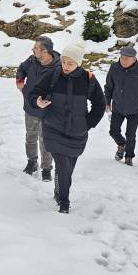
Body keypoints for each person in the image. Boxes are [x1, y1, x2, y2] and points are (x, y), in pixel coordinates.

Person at [29, 41, 105, 214]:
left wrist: (87, 124)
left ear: (78, 63)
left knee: (68, 169)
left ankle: (59, 190)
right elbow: (33, 93)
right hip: (53, 128)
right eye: (63, 61)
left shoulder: (89, 80)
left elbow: (100, 105)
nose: (65, 66)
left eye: (70, 63)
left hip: (77, 133)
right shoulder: (53, 75)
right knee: (63, 166)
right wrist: (37, 102)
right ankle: (64, 202)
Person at [16, 36, 61, 182]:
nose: (32, 50)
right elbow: (21, 69)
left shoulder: (59, 67)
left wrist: (47, 100)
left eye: (35, 48)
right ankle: (32, 162)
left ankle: (47, 169)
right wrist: (20, 81)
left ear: (45, 51)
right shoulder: (32, 60)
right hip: (30, 107)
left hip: (47, 111)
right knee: (30, 136)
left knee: (45, 140)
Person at [104, 45, 138, 166]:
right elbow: (108, 87)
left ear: (134, 59)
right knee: (113, 131)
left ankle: (129, 156)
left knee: (130, 135)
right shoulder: (114, 67)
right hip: (118, 107)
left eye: (127, 58)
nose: (123, 60)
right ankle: (122, 145)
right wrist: (107, 103)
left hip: (135, 109)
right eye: (122, 57)